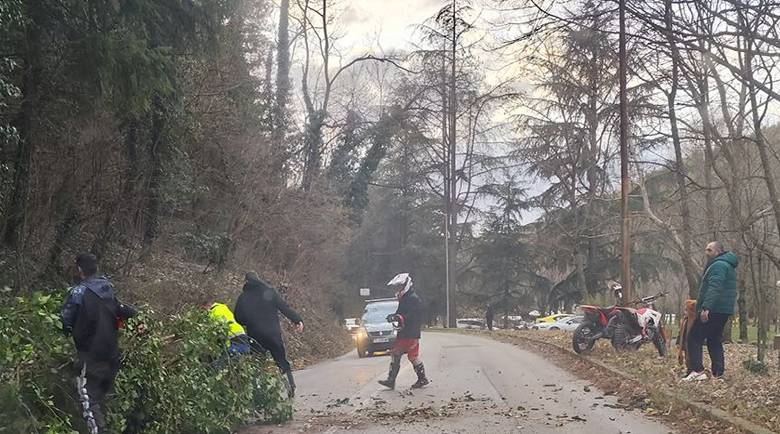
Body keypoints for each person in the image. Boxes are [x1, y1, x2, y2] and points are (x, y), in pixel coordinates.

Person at [60, 253, 137, 434]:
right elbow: (123, 310)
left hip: (92, 355)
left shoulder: (78, 292)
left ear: (80, 270)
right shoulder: (107, 289)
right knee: (100, 400)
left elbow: (64, 320)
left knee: (87, 396)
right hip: (112, 355)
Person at [234, 272, 304, 397]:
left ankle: (259, 393)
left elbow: (238, 318)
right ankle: (291, 385)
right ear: (258, 278)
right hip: (272, 333)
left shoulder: (243, 297)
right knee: (280, 359)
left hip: (255, 335)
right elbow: (284, 307)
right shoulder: (269, 292)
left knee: (258, 364)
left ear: (246, 282)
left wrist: (248, 321)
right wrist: (297, 320)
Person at [683, 241, 739, 381]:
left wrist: (706, 307)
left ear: (718, 251)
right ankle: (718, 373)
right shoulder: (727, 264)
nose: (706, 253)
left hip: (713, 308)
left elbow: (715, 286)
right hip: (722, 309)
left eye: (709, 250)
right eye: (706, 250)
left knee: (694, 337)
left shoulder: (718, 265)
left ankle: (698, 371)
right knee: (714, 339)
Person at [378, 272, 430, 390]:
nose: (398, 289)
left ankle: (422, 379)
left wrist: (399, 317)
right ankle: (391, 380)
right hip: (404, 332)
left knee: (412, 356)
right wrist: (394, 316)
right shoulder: (405, 298)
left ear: (406, 285)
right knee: (397, 354)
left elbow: (413, 315)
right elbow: (401, 312)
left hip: (411, 332)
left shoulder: (413, 298)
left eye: (400, 286)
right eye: (398, 286)